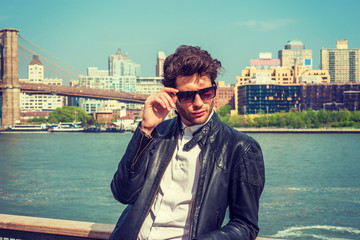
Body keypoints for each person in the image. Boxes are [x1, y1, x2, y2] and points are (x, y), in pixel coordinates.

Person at [110, 45, 265, 240]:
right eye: (187, 95)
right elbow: (122, 194)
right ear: (172, 96)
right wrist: (145, 130)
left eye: (206, 92)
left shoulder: (241, 148)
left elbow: (246, 225)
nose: (199, 102)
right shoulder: (154, 133)